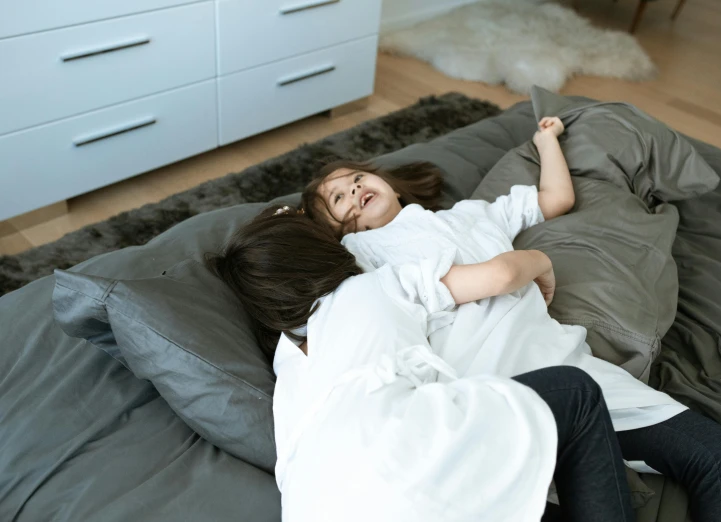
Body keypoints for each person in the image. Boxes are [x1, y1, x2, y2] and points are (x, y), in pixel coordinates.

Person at [298, 117, 721, 522]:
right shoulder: (361, 255)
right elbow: (303, 284)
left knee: (719, 456)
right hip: (489, 391)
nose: (355, 189)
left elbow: (556, 199)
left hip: (575, 371)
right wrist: (296, 224)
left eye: (357, 178)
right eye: (338, 198)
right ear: (337, 229)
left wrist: (547, 141)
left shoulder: (472, 214)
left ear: (391, 184)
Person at [208, 205, 636, 522]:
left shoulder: (286, 363)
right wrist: (542, 262)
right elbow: (503, 275)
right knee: (575, 391)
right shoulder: (374, 285)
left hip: (315, 507)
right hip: (402, 472)